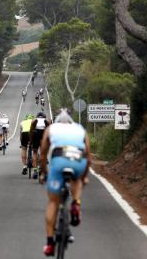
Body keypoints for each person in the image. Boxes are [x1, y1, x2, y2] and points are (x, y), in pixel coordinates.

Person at [39, 108, 92, 256]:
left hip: (59, 158)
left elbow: (43, 154)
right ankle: (76, 203)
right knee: (77, 179)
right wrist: (84, 176)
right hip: (78, 159)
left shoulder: (51, 128)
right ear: (71, 121)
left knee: (53, 203)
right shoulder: (80, 129)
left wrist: (45, 173)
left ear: (56, 121)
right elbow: (88, 155)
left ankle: (50, 243)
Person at [29, 111, 51, 179]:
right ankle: (44, 170)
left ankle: (35, 170)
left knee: (35, 152)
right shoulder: (47, 120)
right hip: (44, 134)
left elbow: (31, 132)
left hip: (35, 134)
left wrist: (30, 142)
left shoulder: (34, 120)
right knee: (43, 153)